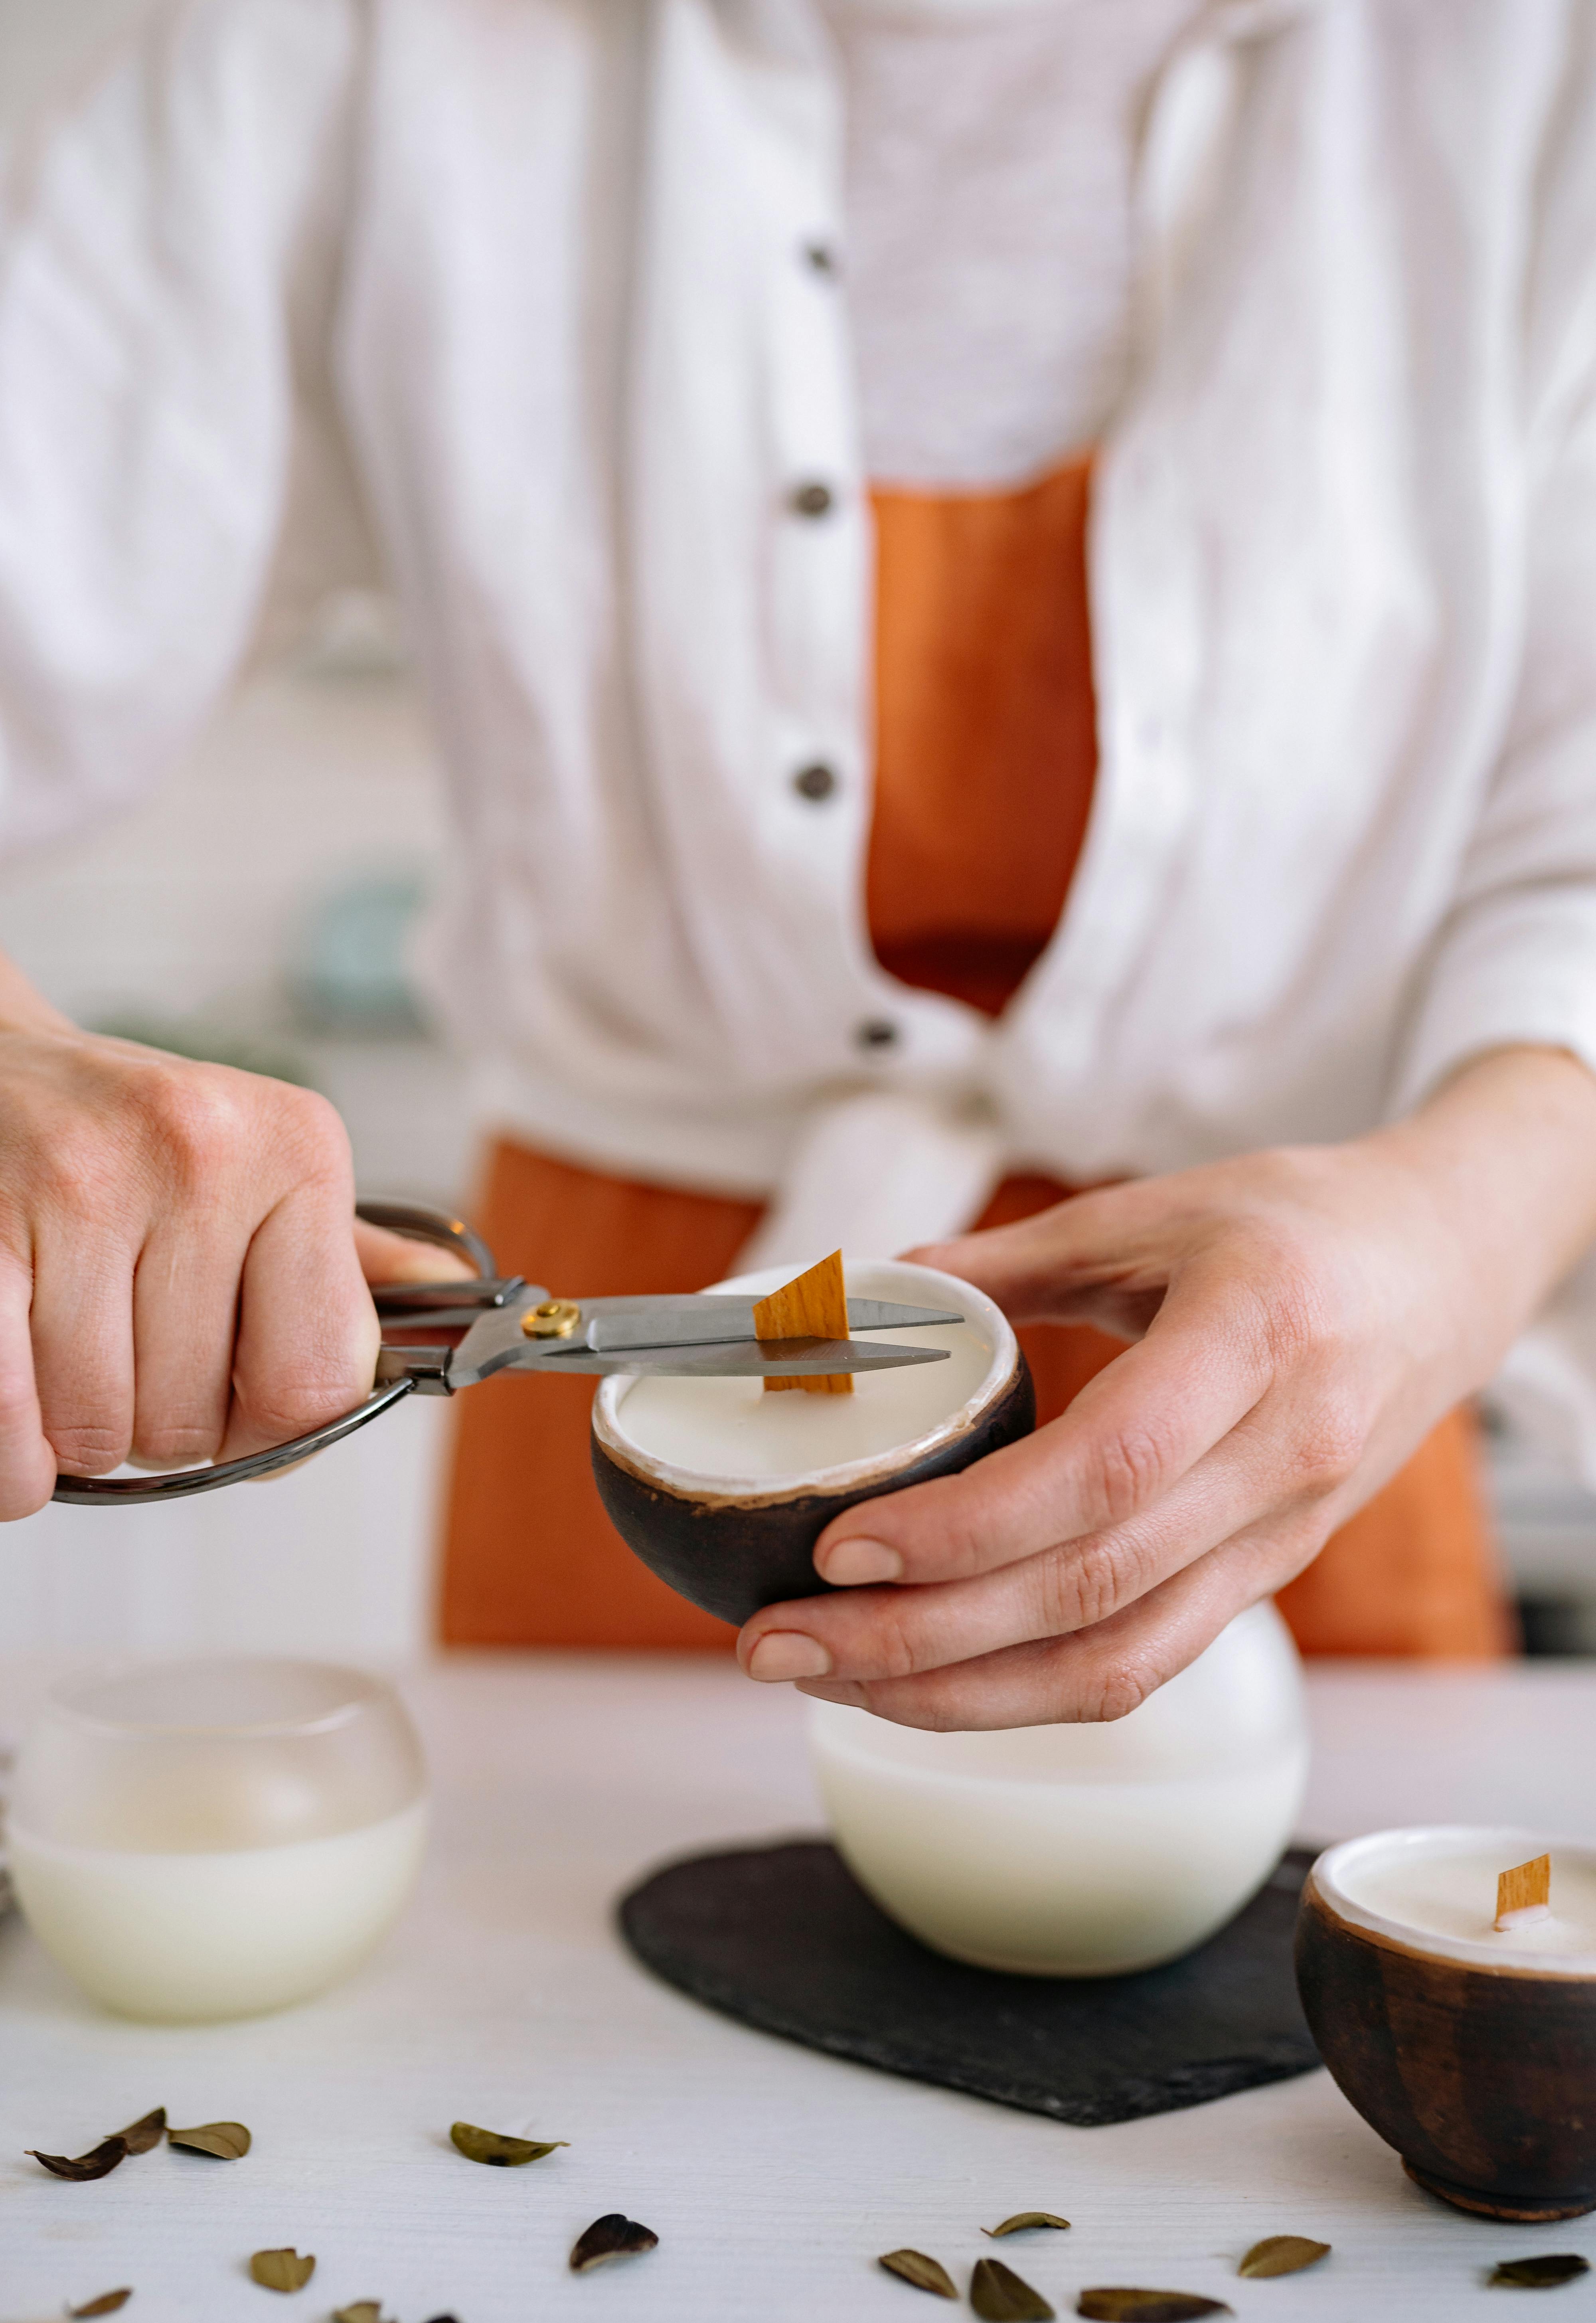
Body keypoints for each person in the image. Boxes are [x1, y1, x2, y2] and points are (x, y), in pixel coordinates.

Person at [3, 0, 1596, 1730]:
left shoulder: (1531, 66)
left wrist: (1456, 1228)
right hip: (632, 1378)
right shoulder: (337, 46)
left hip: (1302, 1392)